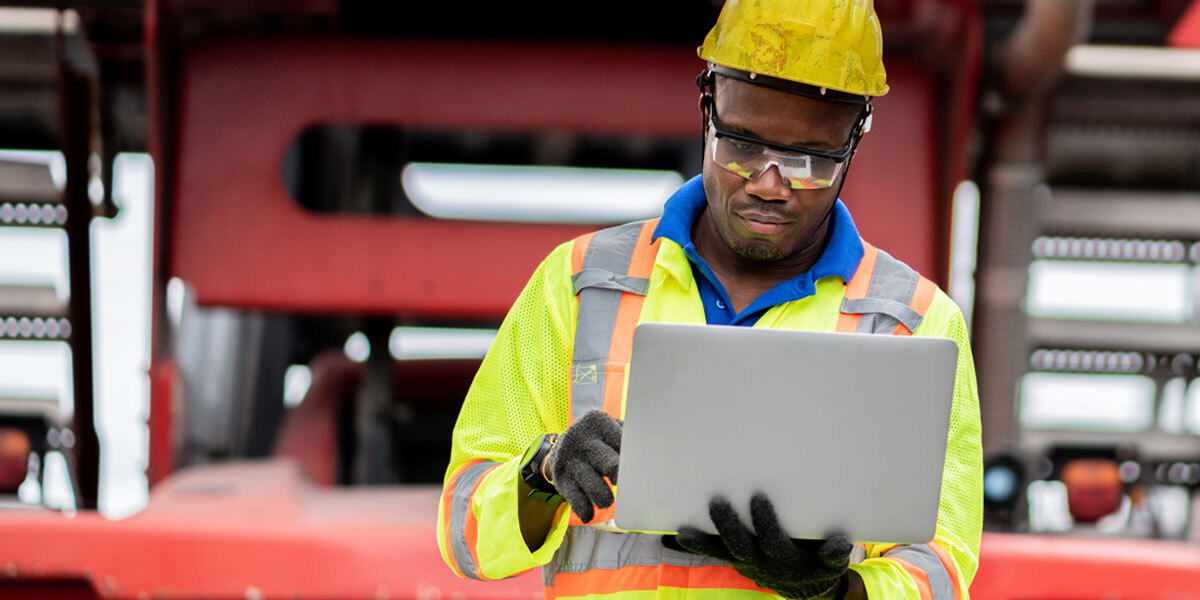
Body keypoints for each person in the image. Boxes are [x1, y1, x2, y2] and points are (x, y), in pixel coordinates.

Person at [436, 1, 982, 599]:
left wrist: (833, 593)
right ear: (707, 107)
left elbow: (942, 571)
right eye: (743, 145)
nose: (769, 184)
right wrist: (544, 471)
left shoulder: (917, 324)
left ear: (855, 139)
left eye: (809, 159)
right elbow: (465, 535)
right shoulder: (579, 283)